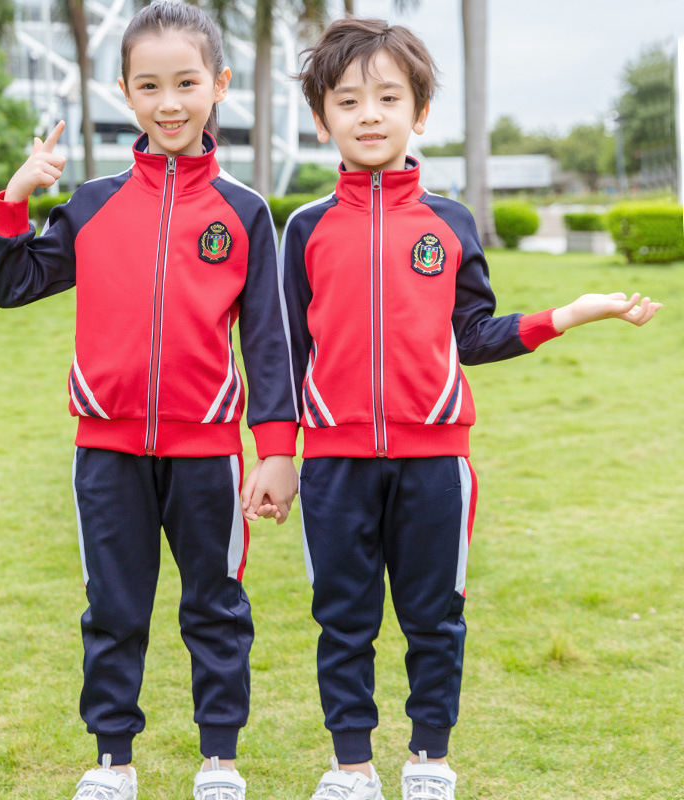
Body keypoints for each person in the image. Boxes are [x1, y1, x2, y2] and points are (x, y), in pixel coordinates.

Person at [278, 17, 661, 800]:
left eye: (390, 96)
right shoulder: (305, 229)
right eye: (349, 101)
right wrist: (278, 457)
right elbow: (282, 355)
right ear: (323, 120)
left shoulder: (450, 224)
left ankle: (428, 762)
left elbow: (475, 334)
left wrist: (568, 314)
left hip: (435, 467)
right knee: (342, 619)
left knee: (434, 620)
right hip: (332, 467)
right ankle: (351, 768)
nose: (370, 114)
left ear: (420, 113)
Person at [0, 3, 299, 799]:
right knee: (114, 608)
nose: (170, 102)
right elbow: (16, 282)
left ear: (219, 86)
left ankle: (220, 760)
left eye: (187, 83)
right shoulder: (92, 204)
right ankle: (112, 761)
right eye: (150, 85)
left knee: (217, 607)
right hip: (108, 454)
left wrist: (276, 453)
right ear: (125, 92)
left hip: (209, 456)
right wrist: (15, 199)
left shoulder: (245, 212)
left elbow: (268, 343)